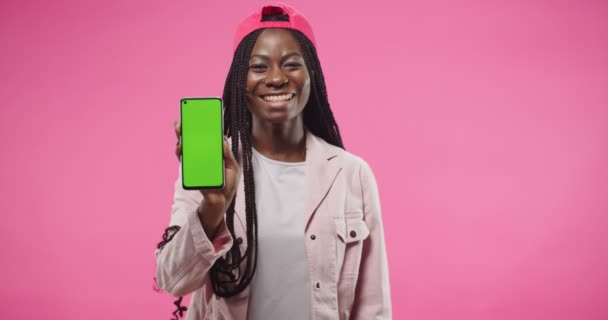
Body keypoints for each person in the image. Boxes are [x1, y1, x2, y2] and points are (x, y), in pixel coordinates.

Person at [154, 3, 391, 319]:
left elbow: (372, 306)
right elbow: (173, 282)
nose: (276, 78)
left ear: (312, 75)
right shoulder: (213, 168)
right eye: (259, 67)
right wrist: (213, 208)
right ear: (241, 78)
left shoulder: (352, 174)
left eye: (292, 64)